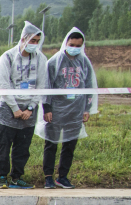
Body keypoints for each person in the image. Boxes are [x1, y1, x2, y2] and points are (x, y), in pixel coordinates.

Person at [36, 27, 97, 189]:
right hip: (56, 110)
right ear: (66, 43)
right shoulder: (55, 61)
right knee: (51, 144)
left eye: (78, 45)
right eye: (72, 44)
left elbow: (89, 86)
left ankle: (62, 176)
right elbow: (47, 86)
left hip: (75, 111)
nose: (75, 48)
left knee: (69, 145)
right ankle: (48, 177)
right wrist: (47, 108)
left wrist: (87, 109)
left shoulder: (84, 62)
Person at [0, 21, 47, 189]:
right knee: (4, 145)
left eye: (37, 41)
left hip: (29, 111)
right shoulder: (7, 57)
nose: (35, 44)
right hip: (9, 109)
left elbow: (42, 85)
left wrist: (30, 108)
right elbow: (3, 84)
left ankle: (17, 177)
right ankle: (2, 176)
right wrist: (15, 109)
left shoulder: (40, 59)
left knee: (22, 148)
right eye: (32, 40)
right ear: (24, 39)